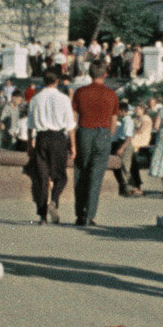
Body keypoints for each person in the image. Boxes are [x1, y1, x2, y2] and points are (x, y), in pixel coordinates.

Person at [70, 61, 120, 226]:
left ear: (90, 74)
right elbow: (114, 119)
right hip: (103, 132)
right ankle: (90, 214)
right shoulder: (111, 94)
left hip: (84, 131)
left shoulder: (80, 92)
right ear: (105, 74)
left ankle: (79, 213)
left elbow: (73, 117)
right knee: (96, 175)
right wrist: (108, 135)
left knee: (81, 172)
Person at [26, 69, 74, 224]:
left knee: (42, 177)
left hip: (41, 137)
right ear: (57, 81)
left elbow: (30, 125)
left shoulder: (35, 99)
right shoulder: (64, 99)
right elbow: (70, 124)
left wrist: (29, 144)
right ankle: (53, 201)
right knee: (60, 176)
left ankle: (42, 215)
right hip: (58, 138)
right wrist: (73, 145)